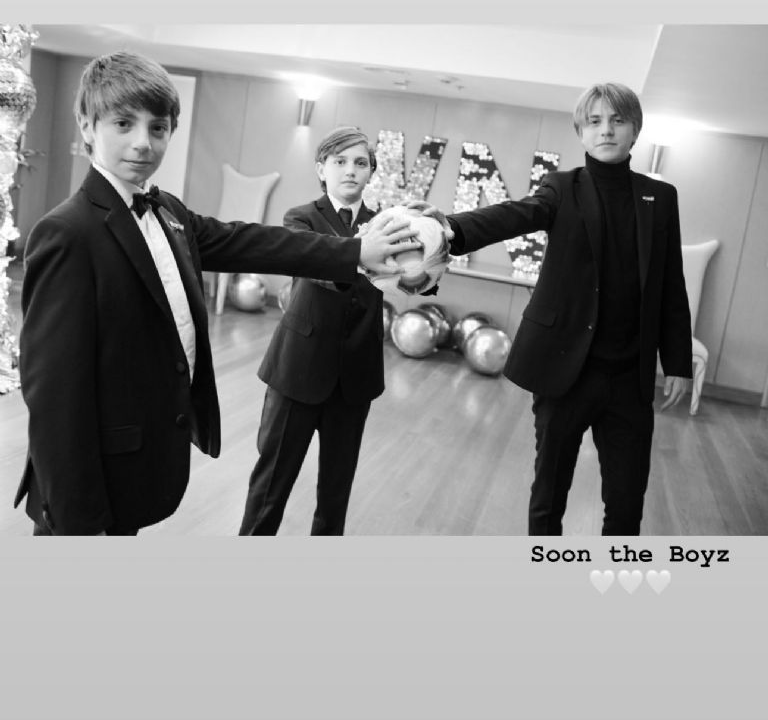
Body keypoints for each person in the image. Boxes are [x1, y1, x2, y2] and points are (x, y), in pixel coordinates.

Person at [13, 54, 413, 536]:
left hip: (132, 468)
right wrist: (80, 521)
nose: (143, 142)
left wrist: (355, 252)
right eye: (123, 124)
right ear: (87, 125)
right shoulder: (67, 233)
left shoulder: (167, 211)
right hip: (83, 491)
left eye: (158, 128)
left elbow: (252, 242)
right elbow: (53, 397)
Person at [444, 82, 693, 535]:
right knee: (549, 494)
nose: (606, 130)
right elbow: (513, 214)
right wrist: (449, 228)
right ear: (581, 132)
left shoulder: (660, 198)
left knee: (626, 506)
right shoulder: (562, 188)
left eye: (617, 120)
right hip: (566, 372)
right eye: (594, 121)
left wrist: (677, 362)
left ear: (635, 130)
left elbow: (671, 284)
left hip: (629, 379)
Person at [238, 125, 386, 535]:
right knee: (270, 486)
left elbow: (409, 274)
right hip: (297, 371)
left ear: (370, 172)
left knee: (336, 493)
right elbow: (309, 261)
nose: (350, 170)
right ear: (322, 169)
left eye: (360, 163)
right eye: (340, 161)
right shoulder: (300, 217)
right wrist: (363, 257)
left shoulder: (386, 224)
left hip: (356, 376)